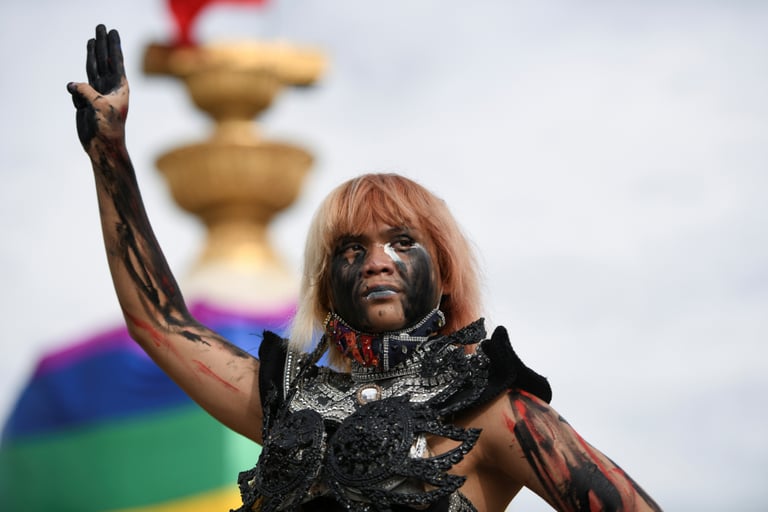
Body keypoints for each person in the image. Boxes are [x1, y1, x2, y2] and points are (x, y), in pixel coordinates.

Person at [67, 24, 662, 512]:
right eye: (351, 249)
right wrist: (109, 155)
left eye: (402, 243)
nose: (376, 262)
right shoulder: (285, 398)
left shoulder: (497, 410)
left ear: (445, 273)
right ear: (327, 284)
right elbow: (160, 325)